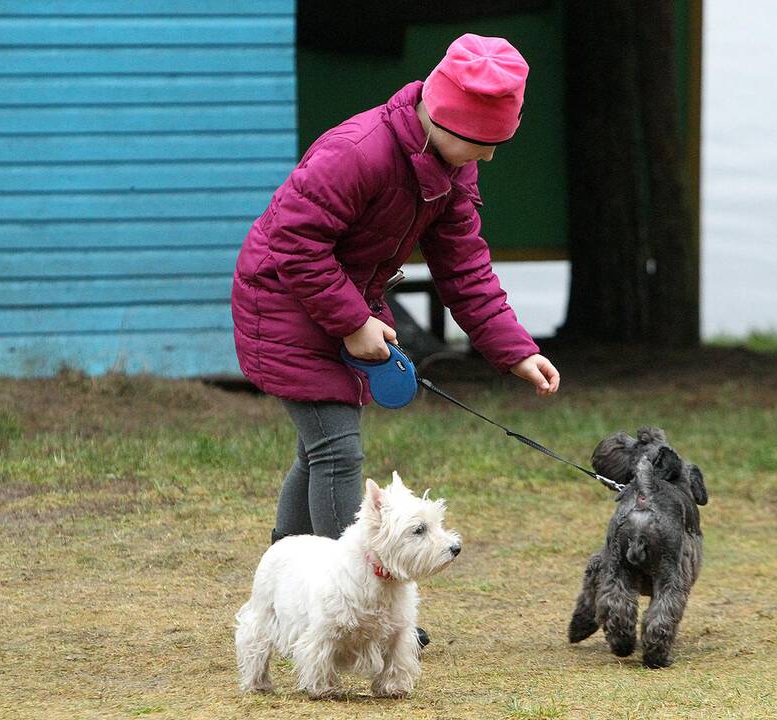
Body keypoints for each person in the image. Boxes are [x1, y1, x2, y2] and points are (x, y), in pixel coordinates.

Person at [231, 34, 560, 582]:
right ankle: (349, 594)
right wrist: (354, 321)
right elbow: (294, 242)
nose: (490, 154)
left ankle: (281, 583)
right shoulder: (357, 152)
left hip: (340, 303)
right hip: (282, 301)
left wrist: (515, 350)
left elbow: (465, 267)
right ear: (448, 121)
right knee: (337, 450)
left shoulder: (452, 170)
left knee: (318, 451)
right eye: (484, 141)